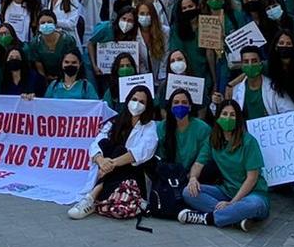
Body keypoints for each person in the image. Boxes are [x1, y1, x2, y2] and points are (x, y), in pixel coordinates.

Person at [68, 84, 160, 220]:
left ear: (147, 106)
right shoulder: (115, 121)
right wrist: (101, 161)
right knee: (105, 144)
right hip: (111, 170)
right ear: (128, 100)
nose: (137, 104)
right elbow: (96, 143)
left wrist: (111, 164)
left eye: (141, 102)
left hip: (133, 172)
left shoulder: (150, 126)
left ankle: (91, 198)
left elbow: (142, 152)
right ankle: (95, 197)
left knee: (120, 150)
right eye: (134, 99)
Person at [177, 96, 268, 229]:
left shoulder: (249, 142)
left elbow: (252, 178)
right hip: (226, 191)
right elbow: (198, 163)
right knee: (188, 192)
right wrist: (192, 179)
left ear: (238, 119)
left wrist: (232, 203)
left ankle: (208, 218)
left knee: (255, 205)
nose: (228, 118)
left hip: (253, 194)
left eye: (232, 115)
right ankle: (234, 218)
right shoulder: (213, 139)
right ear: (218, 117)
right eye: (224, 114)